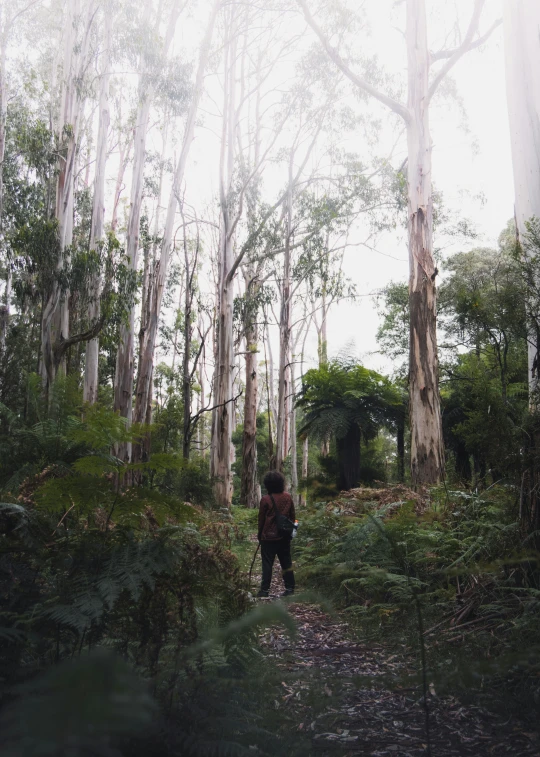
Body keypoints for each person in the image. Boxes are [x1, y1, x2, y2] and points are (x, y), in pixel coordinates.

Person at [257, 470, 295, 598]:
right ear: (281, 483)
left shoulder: (265, 499)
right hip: (284, 535)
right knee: (286, 562)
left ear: (267, 484)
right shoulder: (288, 497)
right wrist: (291, 531)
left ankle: (264, 590)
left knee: (267, 563)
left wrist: (260, 535)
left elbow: (261, 519)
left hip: (268, 537)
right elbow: (293, 516)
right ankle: (290, 589)